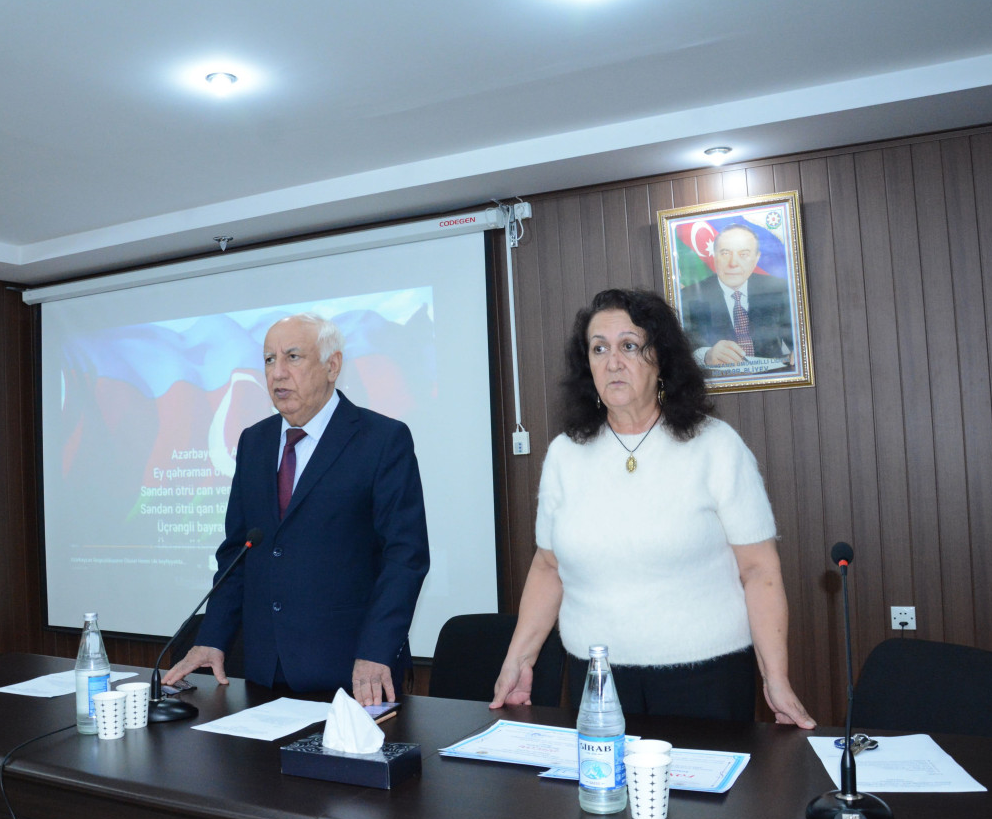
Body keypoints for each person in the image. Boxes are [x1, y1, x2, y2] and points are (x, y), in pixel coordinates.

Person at [490, 288, 815, 728]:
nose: (612, 362)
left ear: (660, 359)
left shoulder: (715, 446)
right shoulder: (565, 454)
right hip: (598, 681)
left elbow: (759, 570)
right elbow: (548, 568)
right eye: (599, 348)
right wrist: (517, 660)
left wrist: (775, 676)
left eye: (629, 346)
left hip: (706, 680)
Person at [163, 313, 430, 706]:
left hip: (353, 673)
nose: (277, 373)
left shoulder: (382, 440)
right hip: (264, 672)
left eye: (292, 357)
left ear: (332, 366)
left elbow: (405, 557)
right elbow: (238, 552)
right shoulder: (254, 442)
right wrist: (212, 638)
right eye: (269, 360)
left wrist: (376, 650)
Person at [678, 224, 794, 366]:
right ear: (714, 256)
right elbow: (680, 349)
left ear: (756, 258)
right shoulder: (689, 296)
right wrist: (705, 355)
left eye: (743, 254)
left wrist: (800, 352)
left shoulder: (778, 290)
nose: (733, 263)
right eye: (725, 253)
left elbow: (797, 339)